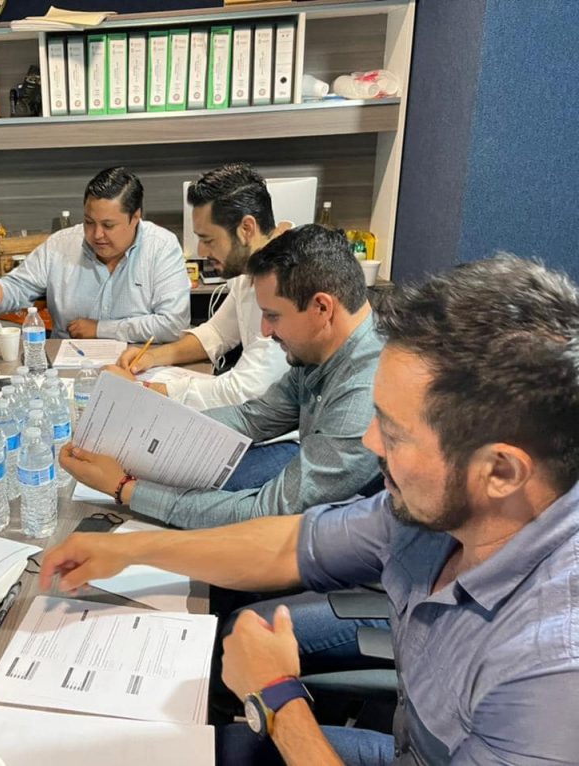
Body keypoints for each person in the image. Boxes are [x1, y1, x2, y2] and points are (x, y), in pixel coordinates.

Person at [42, 255, 579, 764]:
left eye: (394, 433)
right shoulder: (433, 511)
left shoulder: (553, 669)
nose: (370, 442)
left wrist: (278, 698)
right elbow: (289, 543)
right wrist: (131, 550)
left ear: (501, 472)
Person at [62, 224, 382, 528]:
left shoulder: (364, 395)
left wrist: (124, 488)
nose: (265, 331)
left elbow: (264, 513)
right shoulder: (322, 351)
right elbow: (252, 417)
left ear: (322, 308)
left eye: (273, 316)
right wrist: (141, 438)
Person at [110, 163, 289, 410]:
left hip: (280, 423)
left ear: (246, 229)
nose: (202, 251)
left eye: (208, 239)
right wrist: (151, 357)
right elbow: (217, 333)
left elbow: (245, 391)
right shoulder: (250, 268)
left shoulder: (288, 282)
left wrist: (142, 389)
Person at [0, 166, 190, 342]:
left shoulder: (161, 246)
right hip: (67, 362)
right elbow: (19, 286)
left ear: (135, 218)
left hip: (136, 363)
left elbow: (173, 324)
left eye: (108, 225)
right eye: (89, 222)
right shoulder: (61, 244)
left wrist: (101, 329)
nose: (97, 234)